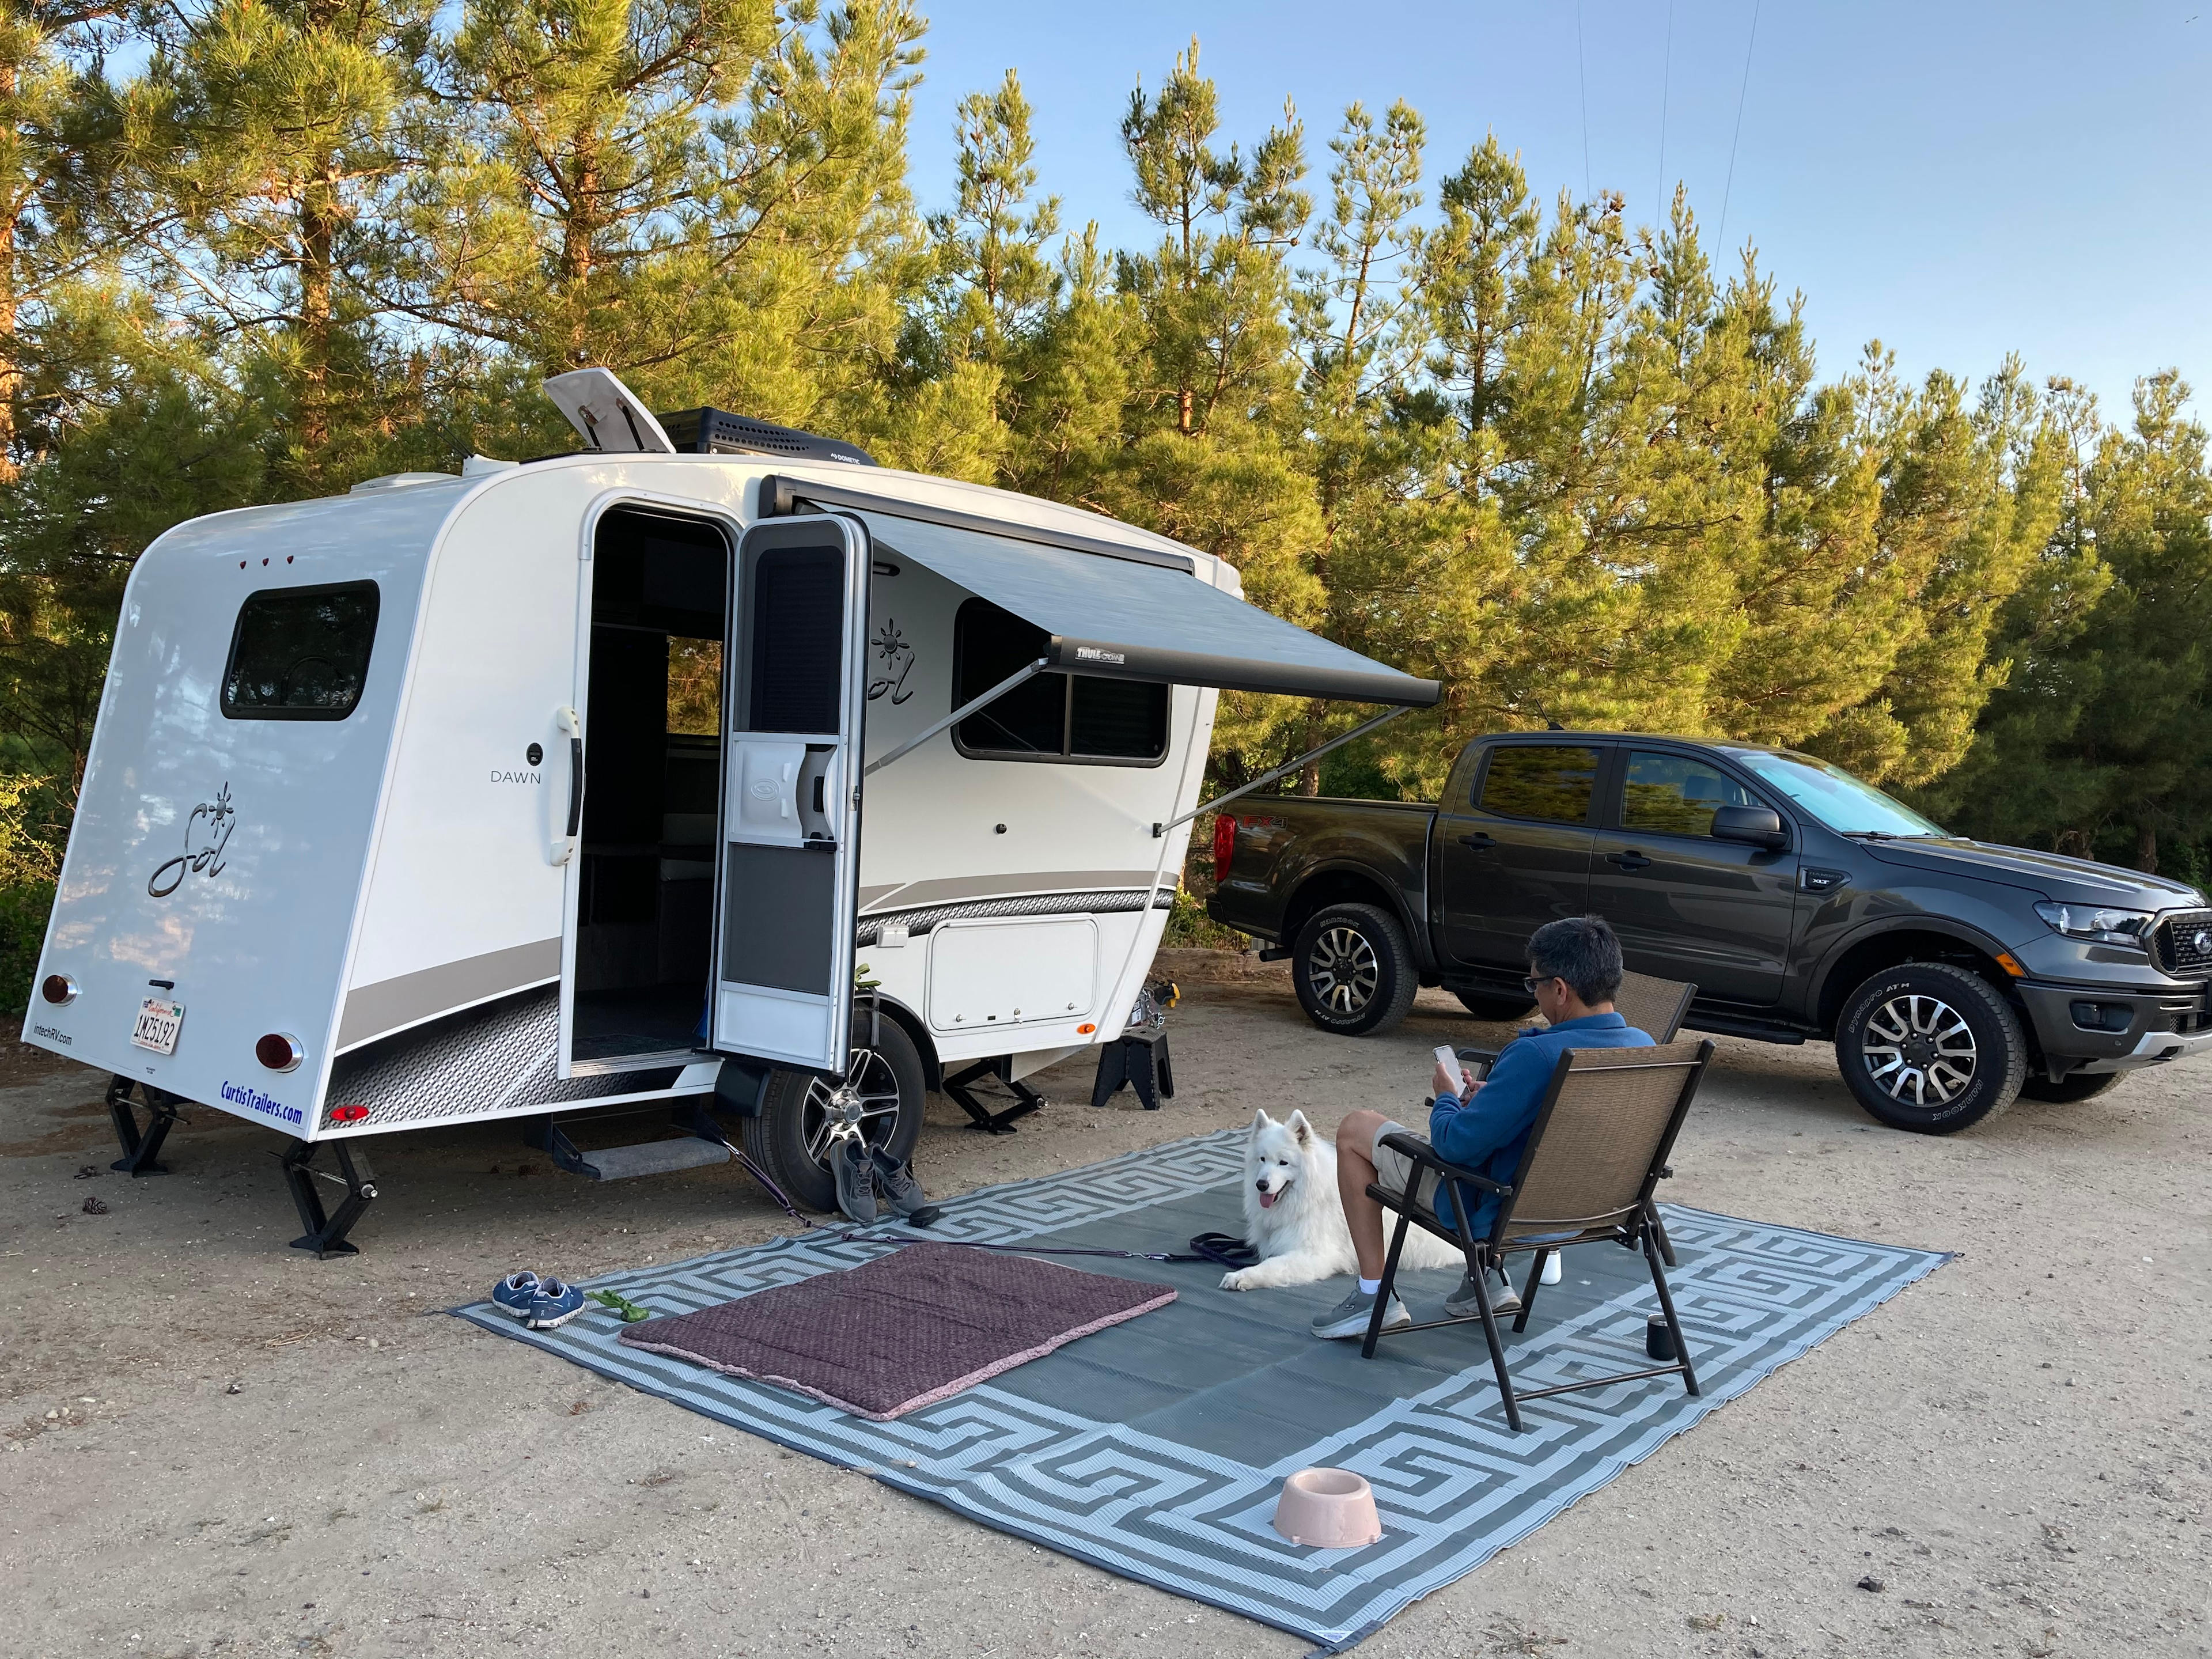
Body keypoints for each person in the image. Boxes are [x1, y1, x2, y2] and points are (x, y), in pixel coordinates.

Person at [1310, 915, 1656, 1340]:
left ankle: (1372, 1295)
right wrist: (1495, 1095)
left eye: (1536, 986)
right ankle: (1482, 1284)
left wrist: (1447, 1096)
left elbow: (1454, 1146)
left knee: (1355, 1130)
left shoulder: (1537, 1055)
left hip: (1493, 1210)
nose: (1534, 994)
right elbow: (1569, 1120)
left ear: (1561, 990)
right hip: (1591, 1211)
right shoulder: (1644, 1047)